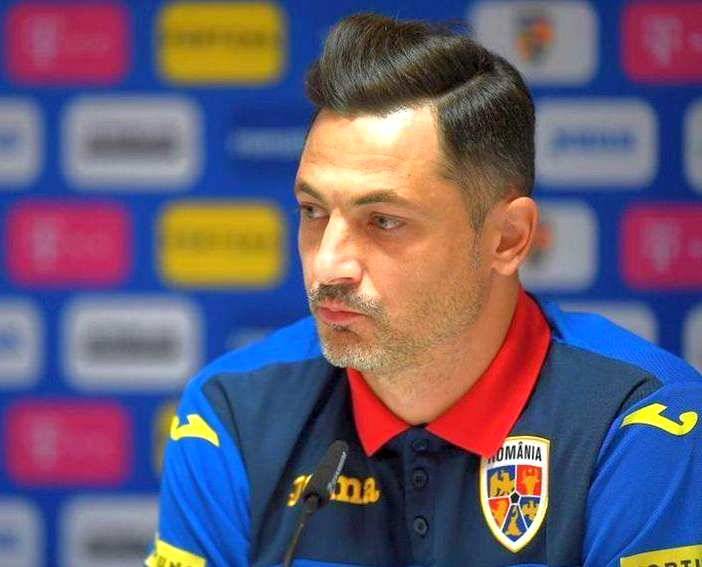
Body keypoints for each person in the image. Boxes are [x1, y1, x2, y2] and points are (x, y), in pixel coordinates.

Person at [147, 13, 702, 567]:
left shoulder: (638, 419)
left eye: (384, 221)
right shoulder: (230, 413)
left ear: (508, 238)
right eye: (313, 212)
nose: (328, 265)